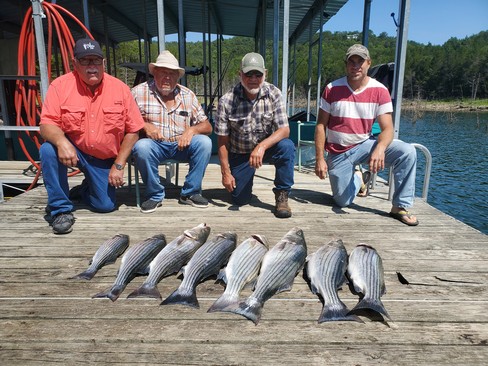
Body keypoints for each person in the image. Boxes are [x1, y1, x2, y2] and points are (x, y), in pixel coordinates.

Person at [39, 38, 145, 234]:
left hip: (104, 159)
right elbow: (46, 125)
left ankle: (86, 189)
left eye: (96, 61)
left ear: (103, 63)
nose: (91, 67)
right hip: (73, 149)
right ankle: (60, 209)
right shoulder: (59, 86)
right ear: (75, 64)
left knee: (105, 205)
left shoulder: (120, 88)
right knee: (48, 149)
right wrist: (62, 142)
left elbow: (133, 130)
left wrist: (118, 165)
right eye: (85, 61)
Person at [314, 44, 419, 226]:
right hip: (338, 152)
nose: (356, 66)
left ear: (368, 63)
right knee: (342, 202)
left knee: (407, 152)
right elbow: (321, 125)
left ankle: (400, 206)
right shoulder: (331, 88)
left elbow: (387, 129)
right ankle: (358, 178)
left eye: (360, 62)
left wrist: (380, 148)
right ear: (346, 64)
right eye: (351, 62)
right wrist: (319, 158)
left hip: (365, 144)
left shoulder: (380, 90)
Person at [215, 52, 295, 218]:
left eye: (258, 74)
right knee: (239, 199)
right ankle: (244, 182)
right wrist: (225, 172)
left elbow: (284, 130)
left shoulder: (274, 93)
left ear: (265, 74)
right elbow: (222, 141)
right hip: (240, 154)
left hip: (265, 149)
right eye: (248, 74)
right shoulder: (226, 100)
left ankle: (282, 194)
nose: (253, 78)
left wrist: (262, 146)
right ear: (240, 74)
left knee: (286, 146)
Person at [131, 50, 212, 213]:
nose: (167, 77)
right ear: (154, 73)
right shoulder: (138, 92)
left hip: (181, 145)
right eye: (163, 72)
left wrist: (192, 130)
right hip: (154, 146)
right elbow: (124, 121)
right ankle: (154, 195)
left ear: (178, 76)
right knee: (142, 147)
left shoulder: (188, 95)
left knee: (205, 142)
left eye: (172, 73)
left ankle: (190, 193)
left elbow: (207, 126)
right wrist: (144, 126)